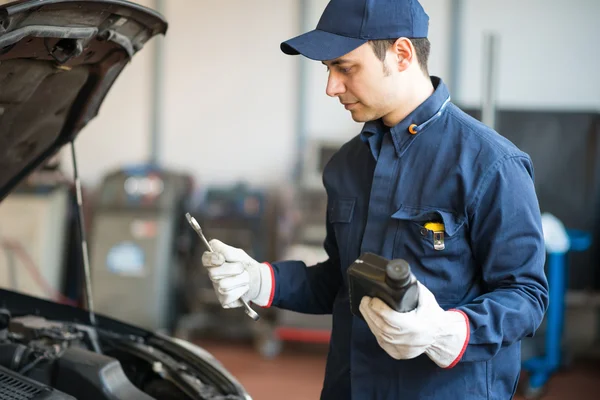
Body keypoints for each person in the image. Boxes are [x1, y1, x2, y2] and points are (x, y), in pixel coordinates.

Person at [201, 0, 549, 398]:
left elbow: (526, 296)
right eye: (327, 70)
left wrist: (448, 331)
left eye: (345, 67)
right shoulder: (346, 165)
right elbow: (341, 279)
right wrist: (261, 280)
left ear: (401, 54)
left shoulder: (491, 164)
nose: (331, 87)